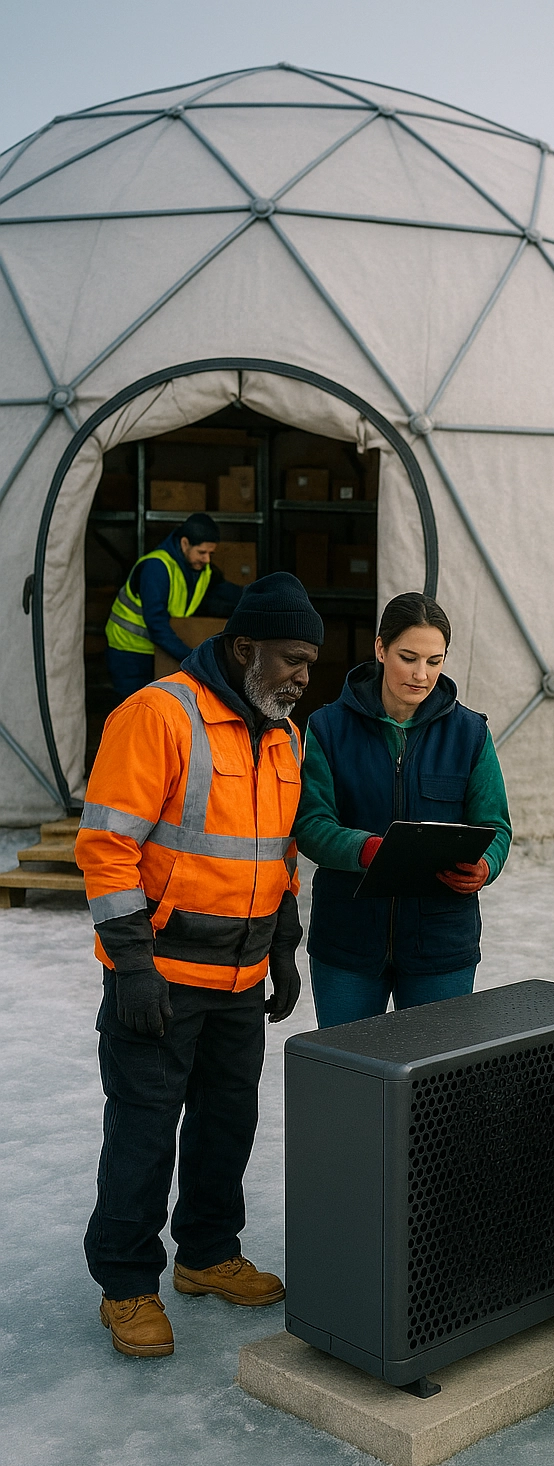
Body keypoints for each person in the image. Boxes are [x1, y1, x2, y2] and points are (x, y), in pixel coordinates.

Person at [76, 572, 323, 1358]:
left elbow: (278, 850)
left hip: (240, 981)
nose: (302, 677)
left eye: (310, 663)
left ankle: (208, 1255)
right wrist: (133, 966)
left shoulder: (284, 732)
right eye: (291, 659)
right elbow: (107, 846)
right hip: (161, 979)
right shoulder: (159, 715)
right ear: (245, 647)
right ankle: (126, 1285)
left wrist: (283, 941)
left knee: (227, 1125)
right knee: (144, 1132)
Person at [294, 591, 512, 1025]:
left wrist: (485, 865)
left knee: (435, 1086)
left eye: (434, 661)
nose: (421, 674)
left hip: (441, 943)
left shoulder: (470, 733)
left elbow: (495, 825)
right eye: (408, 657)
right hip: (349, 942)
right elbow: (311, 824)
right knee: (351, 1077)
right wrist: (366, 849)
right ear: (380, 648)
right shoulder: (327, 728)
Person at [104, 512, 240, 701]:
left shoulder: (200, 570)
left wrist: (258, 596)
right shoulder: (156, 568)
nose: (207, 559)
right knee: (134, 713)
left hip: (158, 652)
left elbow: (224, 593)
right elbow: (156, 624)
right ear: (185, 543)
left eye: (211, 553)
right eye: (202, 552)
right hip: (129, 654)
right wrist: (191, 658)